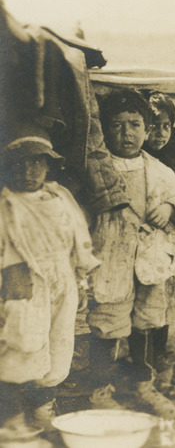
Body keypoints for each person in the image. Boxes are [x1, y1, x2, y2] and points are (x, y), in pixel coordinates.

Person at [86, 89, 175, 417]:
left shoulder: (158, 169)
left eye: (134, 125)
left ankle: (141, 385)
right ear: (104, 129)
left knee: (145, 325)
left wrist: (170, 211)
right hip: (111, 260)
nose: (126, 133)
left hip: (148, 261)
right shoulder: (96, 169)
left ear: (147, 129)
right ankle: (100, 390)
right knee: (107, 323)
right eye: (117, 125)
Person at [0, 125, 99, 435]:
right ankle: (14, 419)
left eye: (37, 162)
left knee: (58, 345)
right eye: (19, 163)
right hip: (23, 283)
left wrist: (82, 274)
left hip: (62, 280)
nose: (28, 170)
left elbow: (78, 236)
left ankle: (44, 409)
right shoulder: (6, 203)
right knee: (21, 348)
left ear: (49, 165)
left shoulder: (59, 195)